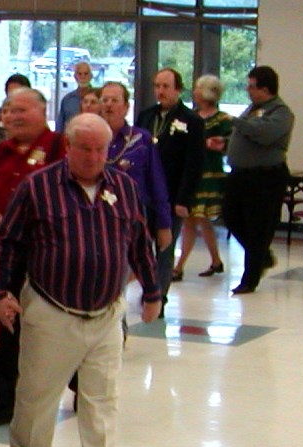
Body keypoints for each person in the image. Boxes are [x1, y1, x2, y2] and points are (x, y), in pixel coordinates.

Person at [0, 112, 161, 447]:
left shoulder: (123, 187)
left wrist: (154, 292)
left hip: (105, 314)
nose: (92, 156)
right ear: (68, 147)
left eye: (100, 149)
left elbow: (139, 243)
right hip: (51, 308)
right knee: (37, 391)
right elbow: (6, 244)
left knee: (102, 398)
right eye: (84, 148)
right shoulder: (38, 187)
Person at [0, 87, 65, 427]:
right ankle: (7, 402)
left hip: (44, 256)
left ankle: (74, 385)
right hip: (6, 255)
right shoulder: (3, 152)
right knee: (9, 329)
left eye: (21, 110)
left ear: (42, 112)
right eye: (9, 110)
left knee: (46, 330)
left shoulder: (58, 147)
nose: (12, 116)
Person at [214, 66, 294, 295]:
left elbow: (263, 134)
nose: (248, 91)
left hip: (265, 177)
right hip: (241, 175)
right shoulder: (253, 109)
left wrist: (234, 121)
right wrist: (226, 144)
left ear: (265, 89)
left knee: (258, 226)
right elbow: (246, 137)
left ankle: (250, 279)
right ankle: (262, 256)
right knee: (230, 215)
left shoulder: (281, 113)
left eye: (252, 87)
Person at [98, 83, 173, 301]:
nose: (109, 105)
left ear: (126, 107)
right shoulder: (91, 138)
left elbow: (157, 183)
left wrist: (164, 224)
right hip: (96, 217)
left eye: (115, 100)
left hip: (132, 218)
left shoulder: (141, 139)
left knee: (124, 274)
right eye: (105, 100)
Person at [135, 68, 206, 293]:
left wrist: (184, 199)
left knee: (165, 248)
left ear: (178, 89)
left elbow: (194, 164)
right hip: (144, 195)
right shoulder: (145, 116)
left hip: (172, 195)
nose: (160, 91)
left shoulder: (192, 121)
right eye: (157, 86)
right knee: (141, 247)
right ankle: (146, 289)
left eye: (166, 86)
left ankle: (160, 295)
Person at [174, 75, 234, 279]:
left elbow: (232, 143)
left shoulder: (223, 119)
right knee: (192, 219)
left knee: (200, 217)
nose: (195, 93)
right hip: (193, 174)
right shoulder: (192, 117)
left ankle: (179, 266)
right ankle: (213, 261)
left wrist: (220, 143)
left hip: (210, 174)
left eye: (199, 89)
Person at [57, 62, 94, 130]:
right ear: (75, 77)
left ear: (91, 76)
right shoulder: (67, 100)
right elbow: (60, 125)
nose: (83, 77)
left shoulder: (98, 98)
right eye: (79, 74)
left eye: (86, 74)